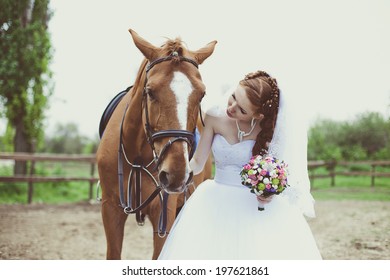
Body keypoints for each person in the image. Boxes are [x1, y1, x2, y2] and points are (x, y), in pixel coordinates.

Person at [158, 70, 322, 260]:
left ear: (259, 115)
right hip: (213, 201)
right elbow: (198, 162)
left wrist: (269, 193)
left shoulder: (270, 131)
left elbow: (280, 171)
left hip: (253, 205)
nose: (232, 107)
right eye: (233, 97)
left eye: (242, 110)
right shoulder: (213, 116)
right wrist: (180, 172)